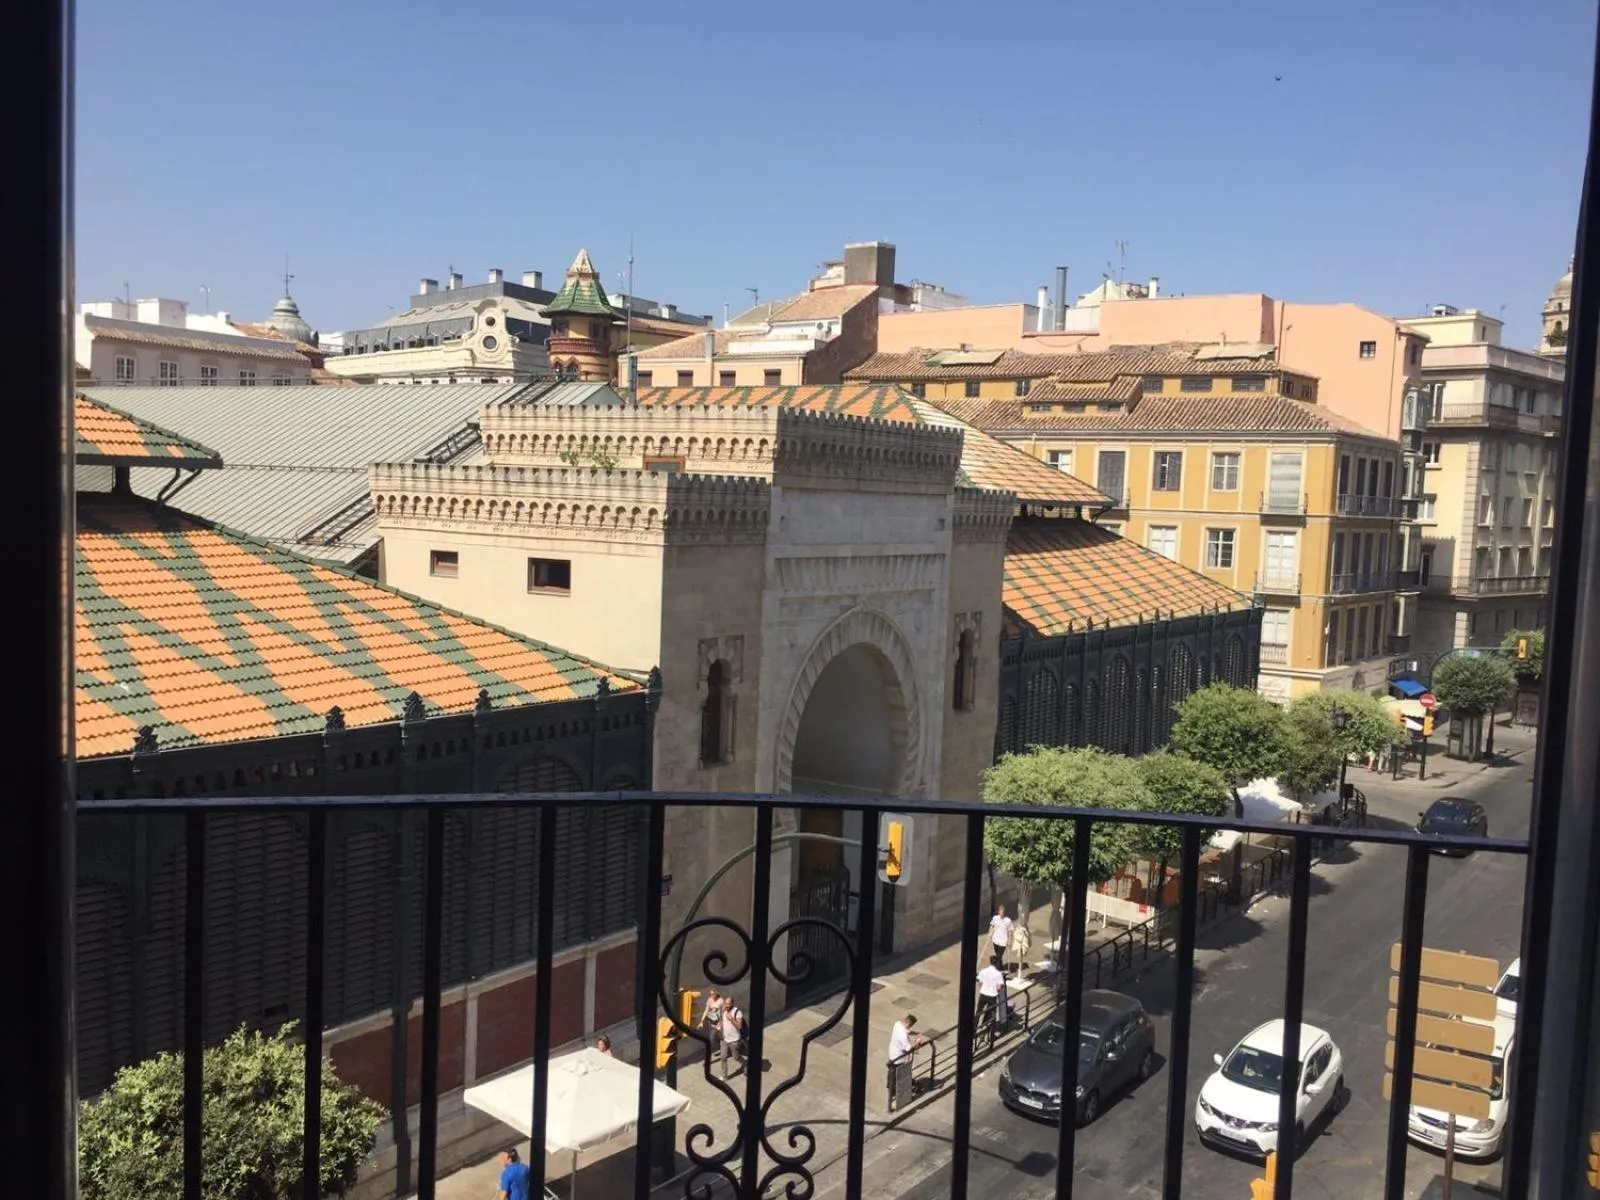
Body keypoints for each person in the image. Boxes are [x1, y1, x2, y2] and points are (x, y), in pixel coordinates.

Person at [886, 1013, 925, 1112]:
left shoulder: (897, 1024)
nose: (910, 1027)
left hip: (892, 1054)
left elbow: (906, 1030)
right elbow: (908, 1048)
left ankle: (890, 1087)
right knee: (900, 1074)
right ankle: (897, 1089)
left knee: (892, 1071)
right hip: (899, 1057)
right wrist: (917, 1043)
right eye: (911, 1025)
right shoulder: (903, 1034)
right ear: (908, 1023)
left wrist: (914, 1032)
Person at [976, 953, 1005, 1045]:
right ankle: (991, 1033)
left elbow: (980, 982)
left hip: (983, 994)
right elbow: (1000, 986)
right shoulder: (998, 974)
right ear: (997, 963)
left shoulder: (983, 971)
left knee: (978, 1012)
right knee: (992, 1014)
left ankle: (973, 1030)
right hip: (992, 996)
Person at [719, 997, 746, 1078]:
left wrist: (731, 1019)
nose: (726, 1005)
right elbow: (721, 1021)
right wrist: (719, 1026)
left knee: (736, 1057)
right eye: (725, 1003)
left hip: (734, 1040)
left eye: (728, 1004)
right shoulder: (723, 1010)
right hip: (724, 1038)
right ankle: (725, 1076)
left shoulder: (737, 1012)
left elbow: (739, 1026)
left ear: (732, 1004)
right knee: (723, 1057)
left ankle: (745, 1064)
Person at [699, 988, 725, 1065]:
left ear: (716, 993)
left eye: (713, 994)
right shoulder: (709, 1000)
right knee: (718, 1038)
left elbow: (723, 1013)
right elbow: (706, 1010)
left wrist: (720, 1023)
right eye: (710, 994)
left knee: (710, 1041)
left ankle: (707, 1060)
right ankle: (725, 1048)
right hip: (710, 1022)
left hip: (717, 1024)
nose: (711, 995)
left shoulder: (721, 1001)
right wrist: (701, 1021)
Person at [989, 905, 1014, 973]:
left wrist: (1009, 940)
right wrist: (990, 933)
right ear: (999, 912)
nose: (1002, 913)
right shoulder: (995, 918)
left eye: (1003, 912)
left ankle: (998, 970)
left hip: (1003, 941)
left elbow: (1010, 931)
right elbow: (992, 926)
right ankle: (1001, 968)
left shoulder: (1008, 920)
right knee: (998, 956)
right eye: (1001, 912)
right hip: (995, 940)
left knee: (999, 956)